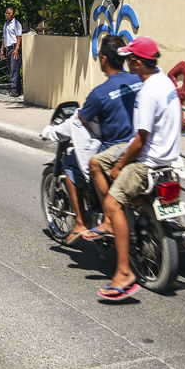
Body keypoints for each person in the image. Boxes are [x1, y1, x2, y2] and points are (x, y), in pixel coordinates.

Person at [89, 36, 182, 302]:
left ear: (139, 62)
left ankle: (123, 273)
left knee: (113, 201)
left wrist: (120, 165)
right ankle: (116, 221)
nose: (128, 62)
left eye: (131, 59)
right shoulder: (165, 81)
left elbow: (140, 141)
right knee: (98, 163)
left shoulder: (147, 93)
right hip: (167, 155)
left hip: (147, 161)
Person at [60, 35, 142, 244]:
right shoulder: (139, 79)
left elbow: (82, 118)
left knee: (70, 163)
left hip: (115, 149)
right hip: (140, 144)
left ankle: (82, 221)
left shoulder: (100, 93)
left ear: (103, 58)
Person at [4, 6, 24, 97]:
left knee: (14, 70)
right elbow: (3, 38)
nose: (7, 15)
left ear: (13, 15)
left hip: (14, 49)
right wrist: (2, 50)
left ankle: (14, 90)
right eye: (6, 13)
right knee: (11, 69)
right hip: (8, 49)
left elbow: (19, 37)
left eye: (9, 14)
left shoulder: (16, 24)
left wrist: (17, 49)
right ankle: (19, 90)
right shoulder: (5, 24)